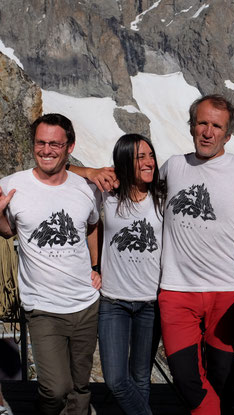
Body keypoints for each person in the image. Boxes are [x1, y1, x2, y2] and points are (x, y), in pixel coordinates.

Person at [158, 94, 234, 414]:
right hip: (177, 290)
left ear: (227, 135)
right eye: (202, 123)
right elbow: (135, 196)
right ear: (192, 126)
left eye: (216, 126)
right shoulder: (174, 166)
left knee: (221, 379)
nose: (207, 131)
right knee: (188, 380)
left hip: (226, 292)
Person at [0, 113, 101, 415]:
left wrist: (97, 267)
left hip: (85, 304)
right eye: (40, 143)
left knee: (81, 387)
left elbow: (94, 226)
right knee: (55, 389)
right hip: (42, 307)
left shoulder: (86, 187)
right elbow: (7, 231)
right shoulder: (11, 185)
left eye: (55, 144)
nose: (46, 150)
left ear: (69, 147)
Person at [72, 134, 165, 414]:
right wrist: (90, 171)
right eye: (140, 157)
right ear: (124, 161)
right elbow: (61, 169)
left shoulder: (163, 195)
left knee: (140, 379)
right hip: (113, 302)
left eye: (150, 155)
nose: (149, 162)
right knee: (115, 380)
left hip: (151, 302)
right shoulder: (108, 192)